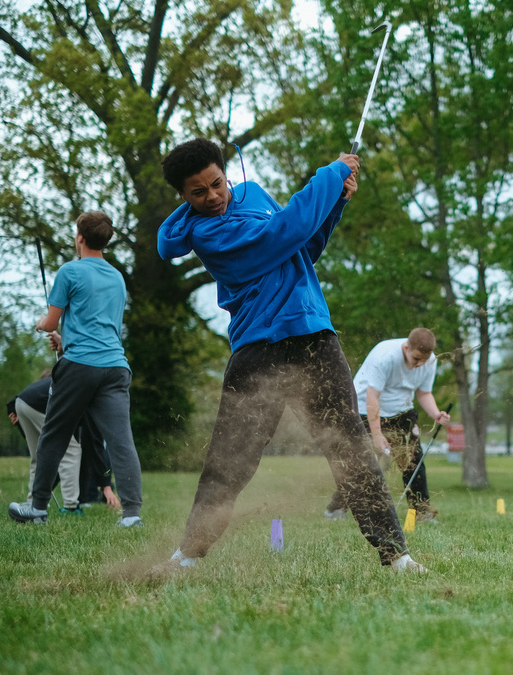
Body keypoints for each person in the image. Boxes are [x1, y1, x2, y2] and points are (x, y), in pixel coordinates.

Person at [154, 138, 424, 573]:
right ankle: (187, 554)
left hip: (313, 335)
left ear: (226, 174)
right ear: (183, 197)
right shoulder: (207, 233)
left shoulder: (254, 194)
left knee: (350, 447)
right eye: (198, 193)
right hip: (258, 349)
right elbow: (280, 234)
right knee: (231, 458)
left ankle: (397, 555)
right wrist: (330, 175)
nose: (213, 197)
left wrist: (335, 204)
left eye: (217, 183)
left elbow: (301, 248)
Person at [8, 212, 143, 527]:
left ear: (80, 237)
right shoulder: (117, 278)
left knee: (54, 435)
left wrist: (43, 324)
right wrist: (65, 340)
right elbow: (101, 326)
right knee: (121, 441)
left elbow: (50, 322)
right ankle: (132, 514)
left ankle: (37, 508)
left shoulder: (70, 271)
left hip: (80, 366)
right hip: (115, 367)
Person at [324, 328, 450, 523]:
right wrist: (377, 435)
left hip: (402, 410)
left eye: (423, 360)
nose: (419, 364)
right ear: (406, 348)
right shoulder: (385, 356)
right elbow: (373, 397)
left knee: (413, 460)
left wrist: (436, 414)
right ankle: (336, 508)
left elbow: (424, 393)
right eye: (416, 359)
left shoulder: (429, 361)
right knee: (362, 463)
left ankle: (422, 512)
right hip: (366, 409)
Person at [6, 332, 121, 514]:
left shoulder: (80, 383)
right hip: (38, 405)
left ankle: (34, 504)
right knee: (72, 450)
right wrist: (106, 487)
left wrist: (11, 407)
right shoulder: (92, 400)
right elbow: (96, 445)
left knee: (40, 456)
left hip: (22, 402)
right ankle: (71, 506)